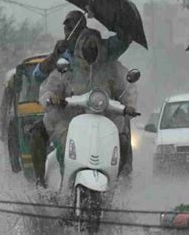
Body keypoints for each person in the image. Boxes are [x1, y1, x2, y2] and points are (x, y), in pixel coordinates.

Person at [39, 28, 137, 177]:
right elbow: (49, 88)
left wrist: (129, 105)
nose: (90, 51)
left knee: (122, 143)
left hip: (106, 121)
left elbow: (127, 88)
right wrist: (52, 98)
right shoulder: (68, 69)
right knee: (65, 144)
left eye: (94, 48)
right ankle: (65, 177)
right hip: (69, 123)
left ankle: (116, 182)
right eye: (87, 47)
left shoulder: (111, 68)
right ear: (79, 48)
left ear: (100, 48)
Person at [32, 10, 132, 82]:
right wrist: (54, 56)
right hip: (71, 105)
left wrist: (118, 19)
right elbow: (38, 75)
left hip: (101, 99)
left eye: (72, 27)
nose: (69, 32)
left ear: (83, 28)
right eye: (67, 28)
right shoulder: (63, 55)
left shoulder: (101, 47)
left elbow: (122, 40)